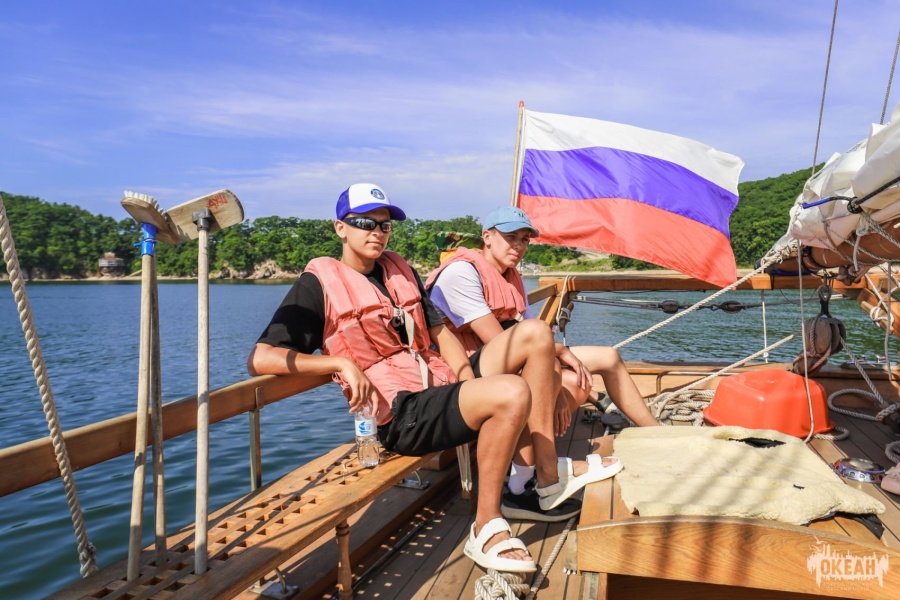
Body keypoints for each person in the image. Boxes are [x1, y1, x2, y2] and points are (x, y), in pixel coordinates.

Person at [248, 184, 619, 572]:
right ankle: (486, 525)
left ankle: (547, 477)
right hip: (401, 413)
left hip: (440, 387)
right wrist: (338, 364)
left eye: (384, 225)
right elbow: (261, 357)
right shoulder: (318, 284)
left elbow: (440, 333)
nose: (377, 232)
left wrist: (466, 380)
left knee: (536, 333)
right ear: (340, 228)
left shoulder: (400, 271)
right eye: (365, 223)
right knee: (511, 391)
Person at [427, 205, 658, 514]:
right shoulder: (461, 273)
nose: (518, 246)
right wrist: (554, 380)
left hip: (512, 357)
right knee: (571, 384)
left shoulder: (510, 275)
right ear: (487, 237)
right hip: (468, 369)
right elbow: (503, 342)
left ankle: (656, 433)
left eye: (524, 239)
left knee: (607, 357)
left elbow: (529, 339)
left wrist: (556, 363)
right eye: (510, 237)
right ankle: (524, 480)